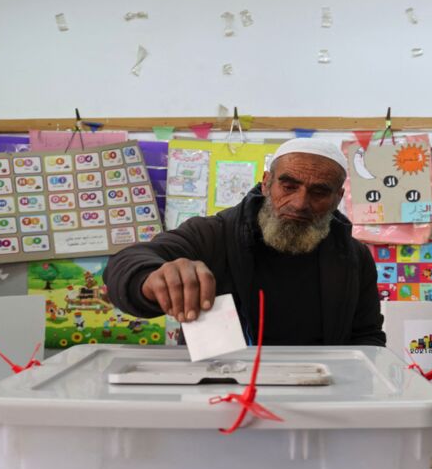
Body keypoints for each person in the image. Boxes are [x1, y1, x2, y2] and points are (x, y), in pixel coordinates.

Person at [104, 137, 385, 346]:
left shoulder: (353, 257)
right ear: (266, 182)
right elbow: (126, 263)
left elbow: (367, 338)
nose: (300, 203)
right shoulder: (213, 235)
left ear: (338, 197)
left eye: (319, 192)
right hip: (222, 395)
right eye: (288, 187)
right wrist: (150, 278)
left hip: (321, 399)